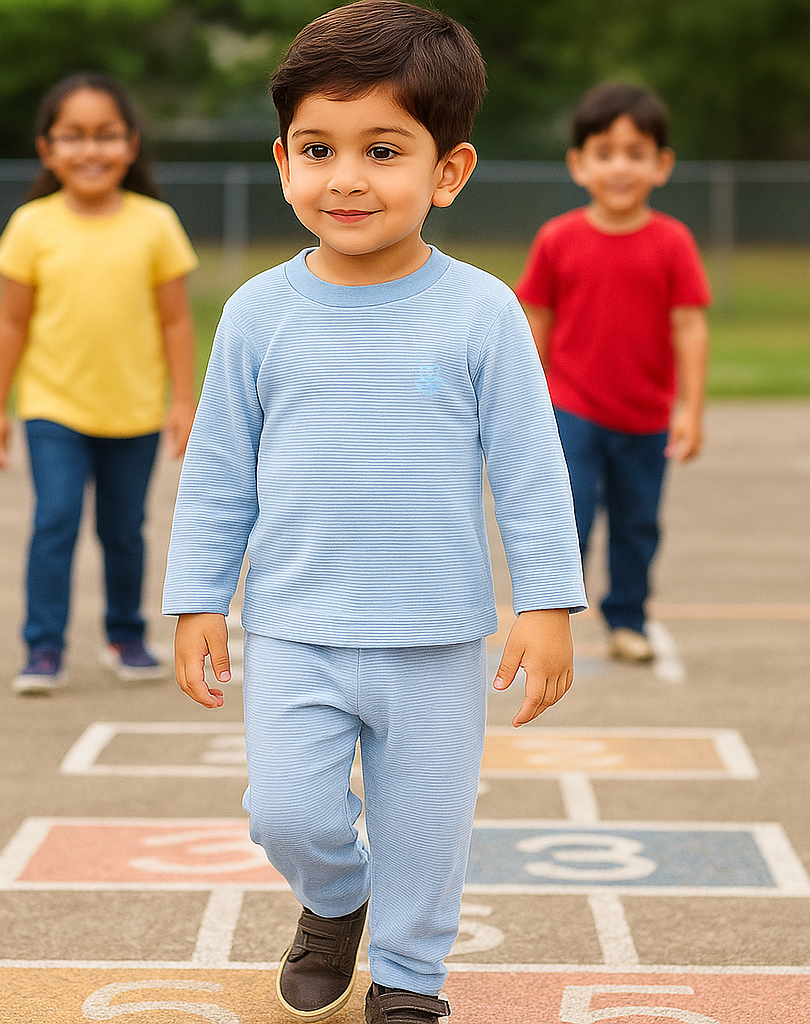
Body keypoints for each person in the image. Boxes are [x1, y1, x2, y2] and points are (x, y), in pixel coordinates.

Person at [162, 3, 586, 1021]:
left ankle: (409, 978)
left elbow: (531, 468)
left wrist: (548, 602)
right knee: (287, 813)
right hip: (297, 624)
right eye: (318, 148)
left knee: (426, 824)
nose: (344, 177)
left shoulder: (481, 311)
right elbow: (220, 470)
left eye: (382, 149)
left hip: (436, 632)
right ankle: (336, 896)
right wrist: (196, 598)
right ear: (281, 161)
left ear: (448, 171)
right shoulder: (259, 314)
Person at [0, 72, 199, 695]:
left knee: (123, 529)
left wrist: (182, 401)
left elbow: (176, 321)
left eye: (106, 135)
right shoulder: (31, 225)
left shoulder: (155, 223)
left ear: (130, 145)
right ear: (47, 149)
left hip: (132, 410)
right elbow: (10, 324)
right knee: (55, 520)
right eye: (72, 136)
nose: (90, 150)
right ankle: (42, 647)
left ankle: (126, 635)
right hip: (54, 407)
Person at [515, 81, 711, 664]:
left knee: (636, 524)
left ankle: (628, 619)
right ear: (578, 164)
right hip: (571, 408)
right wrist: (527, 404)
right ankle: (551, 618)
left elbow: (689, 327)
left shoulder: (673, 242)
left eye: (636, 153)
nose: (620, 167)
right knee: (566, 514)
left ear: (662, 164)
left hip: (646, 417)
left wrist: (691, 410)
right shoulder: (558, 239)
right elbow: (537, 323)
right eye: (605, 153)